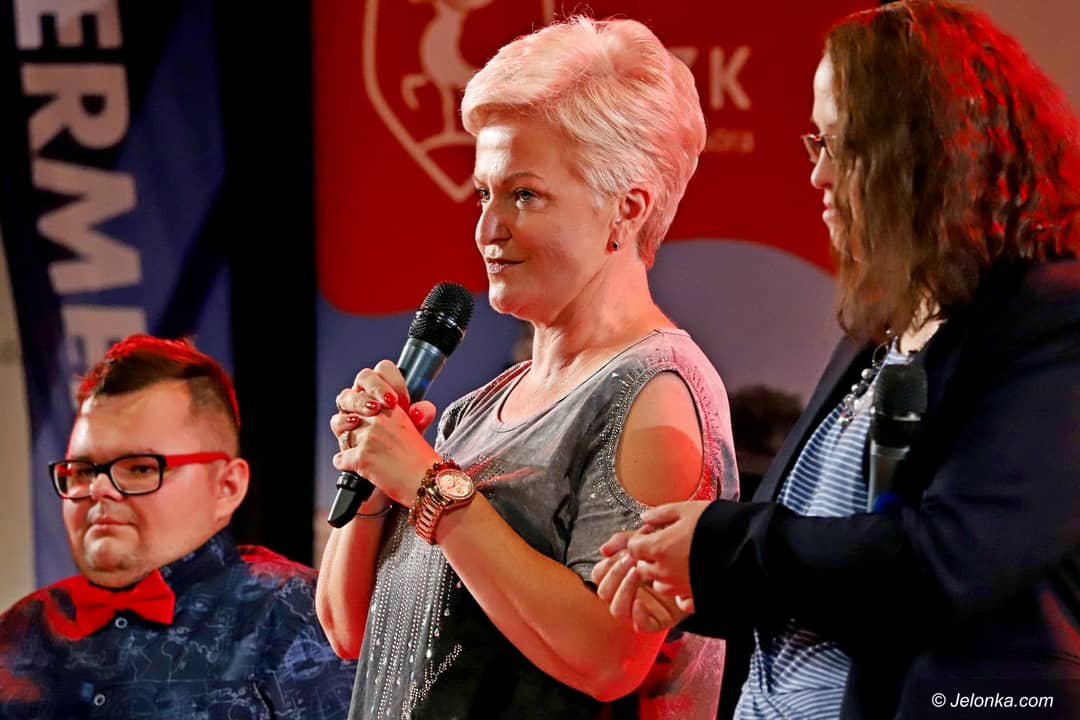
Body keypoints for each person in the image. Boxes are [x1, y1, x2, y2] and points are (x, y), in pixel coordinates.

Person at [594, 1, 1080, 718]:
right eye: (813, 144)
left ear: (925, 155)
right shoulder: (879, 329)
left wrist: (719, 545)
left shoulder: (1051, 323)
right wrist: (694, 584)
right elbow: (826, 566)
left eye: (841, 146)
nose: (818, 176)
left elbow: (945, 561)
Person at [316, 15, 738, 720]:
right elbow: (349, 629)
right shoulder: (473, 412)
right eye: (484, 193)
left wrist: (429, 485)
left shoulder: (656, 392)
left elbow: (609, 657)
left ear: (626, 209)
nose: (487, 229)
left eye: (524, 194)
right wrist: (376, 471)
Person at [0, 335, 356, 719]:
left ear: (227, 486)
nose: (99, 489)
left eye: (140, 468)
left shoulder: (295, 614)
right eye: (82, 471)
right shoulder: (20, 631)